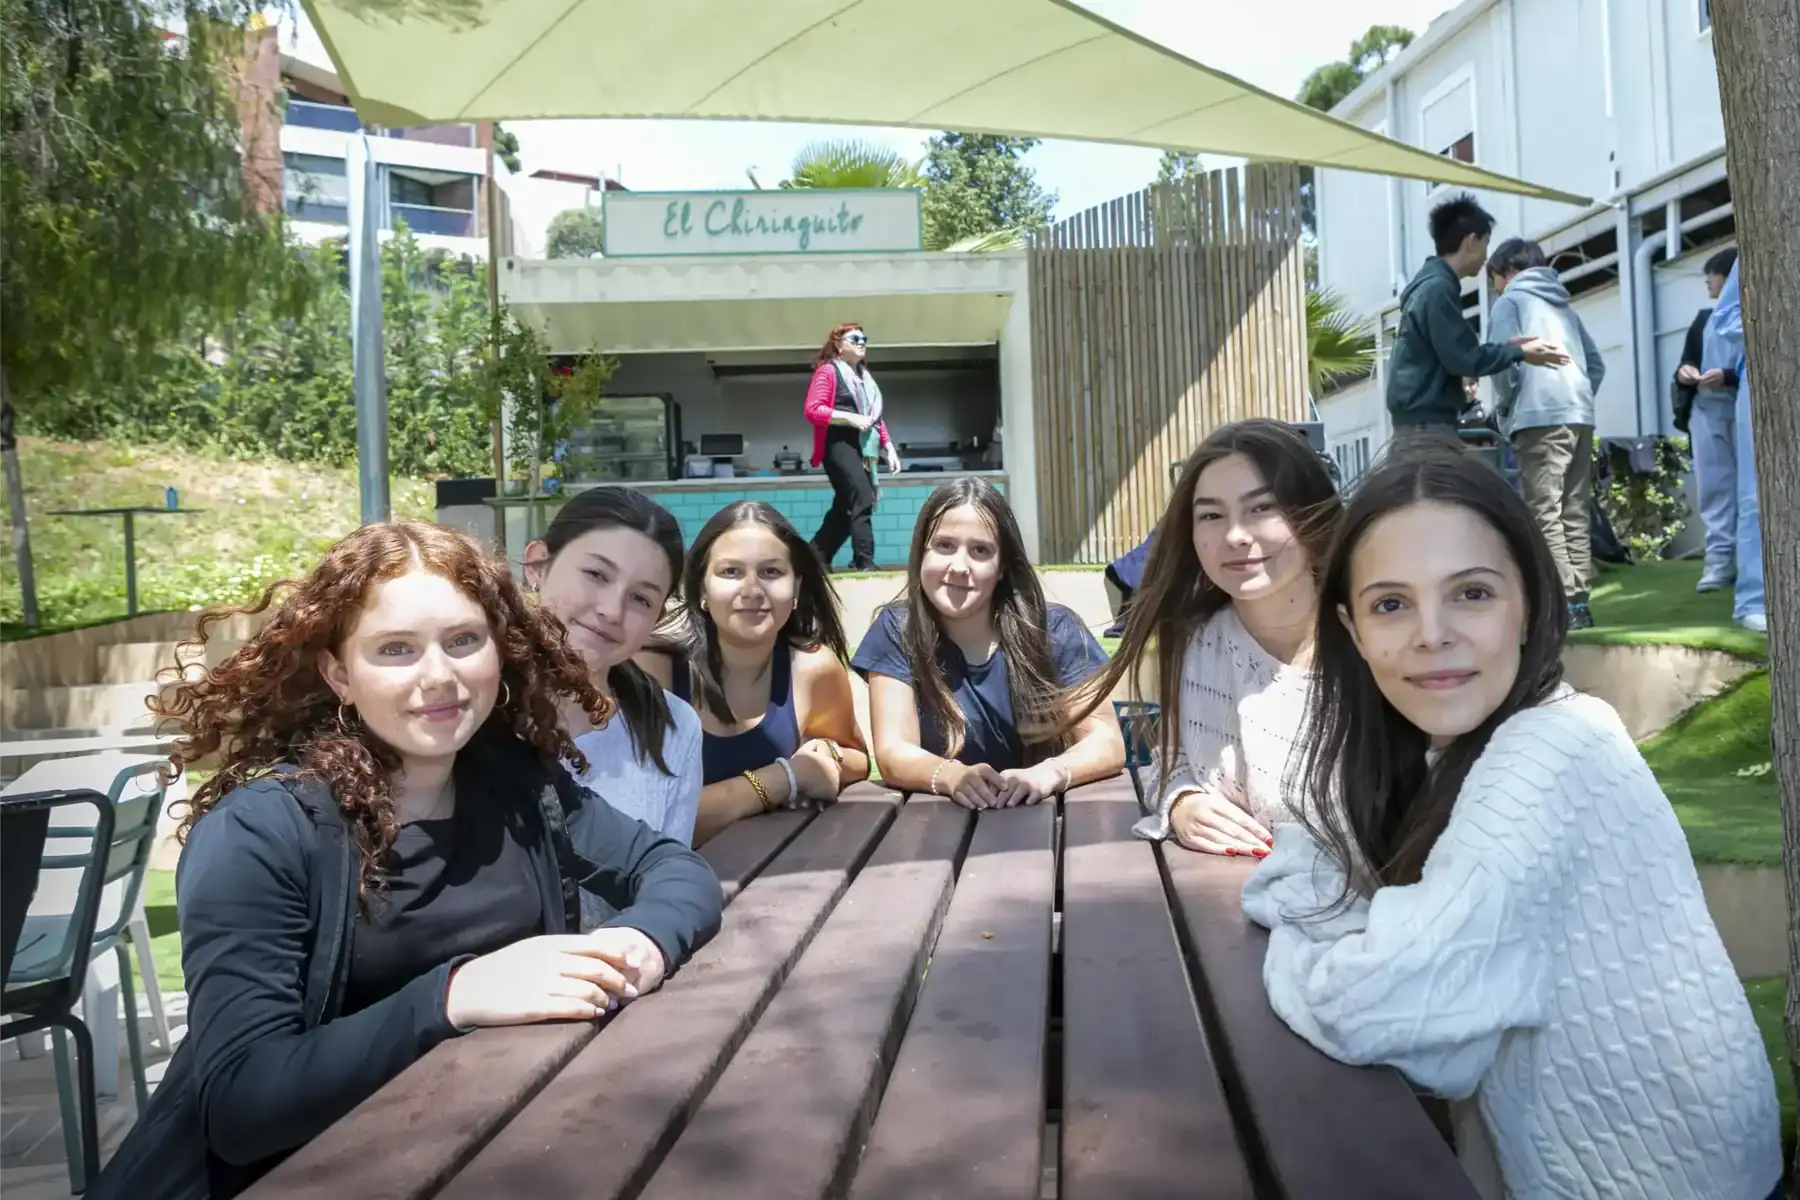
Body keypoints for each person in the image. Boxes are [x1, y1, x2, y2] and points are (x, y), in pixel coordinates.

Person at [93, 521, 722, 1199]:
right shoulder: (261, 832)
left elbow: (673, 869)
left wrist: (642, 941)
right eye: (396, 649)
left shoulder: (517, 784)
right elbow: (241, 1106)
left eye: (463, 641)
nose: (439, 676)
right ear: (339, 673)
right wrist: (454, 995)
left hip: (459, 1155)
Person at [1244, 444, 1779, 1200]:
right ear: (1353, 629)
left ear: (1529, 602)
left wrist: (1310, 942)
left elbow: (1383, 1007)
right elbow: (1316, 851)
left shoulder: (1547, 752)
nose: (1431, 633)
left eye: (1471, 594)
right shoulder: (1449, 749)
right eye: (1391, 604)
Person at [1072, 419, 1341, 855]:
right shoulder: (1195, 642)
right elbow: (1175, 759)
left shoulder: (1376, 640)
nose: (1235, 535)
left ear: (1313, 512)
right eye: (1212, 515)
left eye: (1262, 508)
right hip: (1224, 903)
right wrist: (1182, 802)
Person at [852, 477, 1124, 806]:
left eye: (980, 551)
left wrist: (1047, 773)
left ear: (1001, 567)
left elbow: (1106, 741)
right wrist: (951, 775)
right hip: (937, 826)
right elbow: (894, 752)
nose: (959, 566)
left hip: (1046, 819)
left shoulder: (1057, 629)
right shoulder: (896, 630)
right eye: (944, 546)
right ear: (921, 552)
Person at [645, 501, 871, 844]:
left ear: (796, 586)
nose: (752, 591)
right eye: (730, 572)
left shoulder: (813, 668)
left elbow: (855, 758)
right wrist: (785, 778)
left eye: (771, 572)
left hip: (775, 876)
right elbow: (652, 823)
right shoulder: (652, 670)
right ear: (702, 588)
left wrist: (828, 753)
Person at [523, 486, 703, 848]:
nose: (612, 610)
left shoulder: (672, 729)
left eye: (641, 598)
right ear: (537, 565)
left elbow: (663, 882)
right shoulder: (471, 707)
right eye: (597, 574)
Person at [1484, 237, 1608, 631]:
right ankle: (1580, 602)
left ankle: (1564, 605)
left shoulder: (1511, 303)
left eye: (1494, 280)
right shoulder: (1564, 306)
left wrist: (1505, 408)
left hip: (1538, 416)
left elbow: (1502, 364)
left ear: (1507, 271)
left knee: (1544, 510)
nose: (1493, 289)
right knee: (1573, 508)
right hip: (1578, 414)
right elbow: (1596, 365)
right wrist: (1578, 397)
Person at [1386, 193, 1569, 438]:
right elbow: (1465, 358)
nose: (1486, 256)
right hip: (1427, 427)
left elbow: (1455, 351)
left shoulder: (1429, 287)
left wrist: (1510, 347)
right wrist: (1520, 352)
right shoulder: (1438, 289)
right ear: (1472, 241)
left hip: (1418, 423)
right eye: (1486, 243)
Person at [804, 322, 901, 571]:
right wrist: (850, 418)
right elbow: (813, 409)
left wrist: (888, 447)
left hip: (862, 445)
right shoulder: (828, 372)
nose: (861, 342)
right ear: (838, 344)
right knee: (862, 496)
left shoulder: (864, 379)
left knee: (846, 506)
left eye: (864, 338)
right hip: (837, 442)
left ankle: (816, 555)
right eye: (854, 338)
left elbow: (874, 417)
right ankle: (864, 560)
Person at [1672, 247, 1741, 594]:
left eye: (1712, 274)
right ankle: (1719, 562)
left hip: (1745, 409)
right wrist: (1686, 373)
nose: (1707, 281)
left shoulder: (1755, 317)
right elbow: (1686, 363)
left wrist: (1729, 376)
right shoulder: (1703, 320)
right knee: (1715, 488)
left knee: (1752, 490)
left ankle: (1755, 562)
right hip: (1706, 411)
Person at [1709, 256, 1765, 633]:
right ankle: (1754, 599)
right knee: (1757, 493)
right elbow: (1727, 316)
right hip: (1765, 376)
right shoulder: (1756, 252)